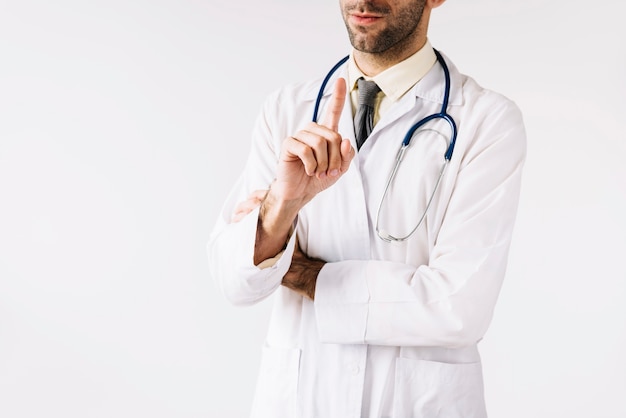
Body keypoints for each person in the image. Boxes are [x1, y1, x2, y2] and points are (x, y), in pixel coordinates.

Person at [208, 0, 526, 416]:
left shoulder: (486, 122)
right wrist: (280, 205)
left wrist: (303, 273)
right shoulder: (286, 111)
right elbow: (235, 280)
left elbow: (458, 307)